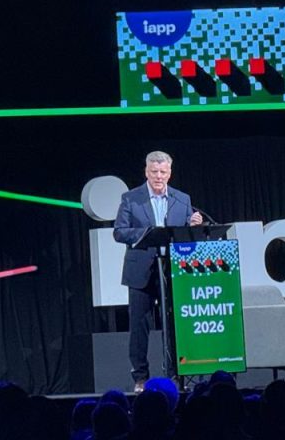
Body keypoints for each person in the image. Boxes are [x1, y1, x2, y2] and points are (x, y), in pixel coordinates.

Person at [113, 151, 203, 393]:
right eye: (154, 172)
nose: (158, 176)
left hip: (172, 270)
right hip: (140, 270)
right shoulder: (131, 198)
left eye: (163, 172)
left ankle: (175, 375)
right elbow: (119, 232)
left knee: (174, 324)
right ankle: (141, 378)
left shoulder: (182, 199)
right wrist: (149, 233)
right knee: (139, 326)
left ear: (169, 173)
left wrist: (193, 225)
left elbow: (186, 236)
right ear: (146, 172)